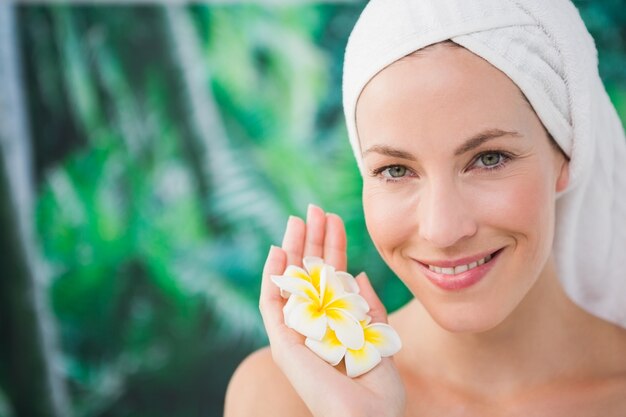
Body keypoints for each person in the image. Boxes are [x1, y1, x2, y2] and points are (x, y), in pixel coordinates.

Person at [224, 0, 626, 415]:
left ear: (567, 154)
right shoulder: (283, 397)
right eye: (395, 170)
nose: (442, 229)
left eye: (489, 159)